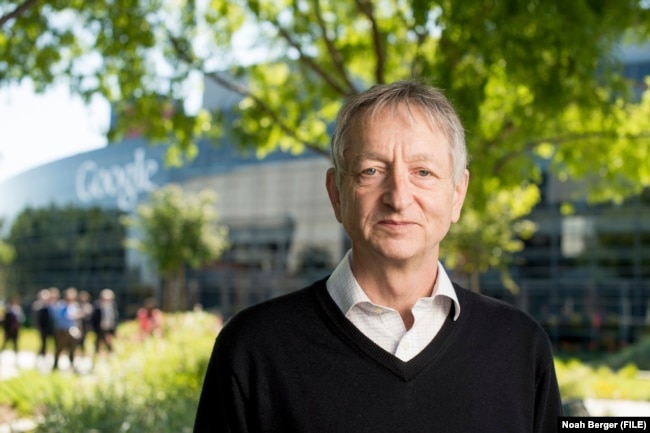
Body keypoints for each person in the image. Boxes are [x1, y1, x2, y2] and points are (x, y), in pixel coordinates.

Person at [193, 80, 562, 432]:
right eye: (371, 171)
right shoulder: (253, 350)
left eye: (423, 172)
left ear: (457, 195)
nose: (398, 197)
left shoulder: (521, 349)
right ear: (337, 193)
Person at [51, 287, 82, 371]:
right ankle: (55, 365)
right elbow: (60, 318)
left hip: (72, 331)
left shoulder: (74, 306)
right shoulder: (60, 306)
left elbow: (77, 320)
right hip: (62, 331)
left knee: (72, 348)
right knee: (59, 348)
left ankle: (71, 364)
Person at [92, 288, 119, 355]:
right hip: (100, 328)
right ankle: (97, 354)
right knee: (99, 342)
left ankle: (110, 353)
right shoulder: (97, 307)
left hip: (109, 328)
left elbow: (115, 318)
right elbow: (94, 319)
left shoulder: (113, 307)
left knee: (109, 342)